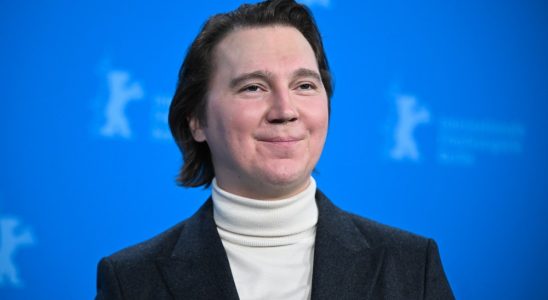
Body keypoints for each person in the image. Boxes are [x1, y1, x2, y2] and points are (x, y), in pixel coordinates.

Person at [95, 0, 455, 299]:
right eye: (253, 87)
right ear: (197, 121)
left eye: (304, 85)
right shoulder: (131, 281)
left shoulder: (411, 267)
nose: (285, 110)